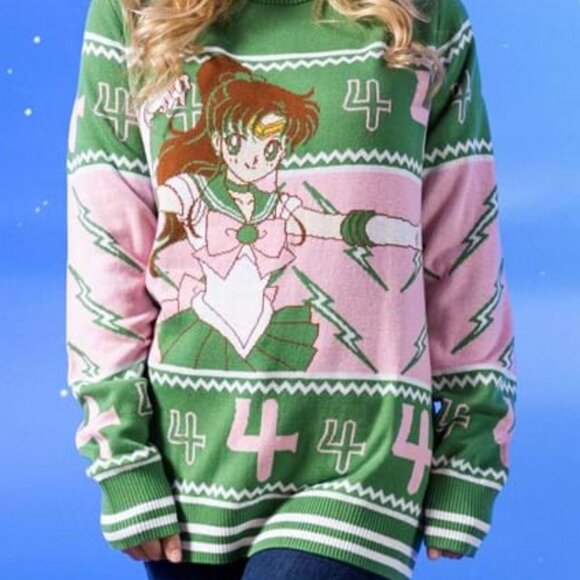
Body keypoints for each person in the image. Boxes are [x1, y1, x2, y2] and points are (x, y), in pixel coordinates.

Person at [65, 0, 518, 578]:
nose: (258, 158)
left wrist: (473, 447)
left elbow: (464, 242)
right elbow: (107, 244)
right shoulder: (134, 10)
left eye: (271, 148)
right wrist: (120, 452)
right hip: (190, 463)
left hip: (364, 459)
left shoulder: (422, 13)